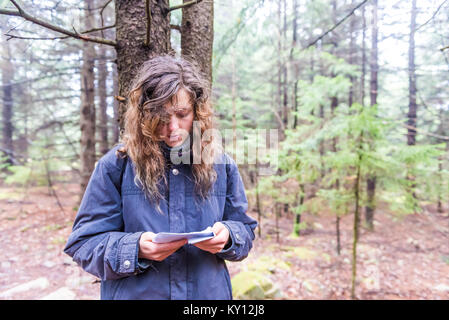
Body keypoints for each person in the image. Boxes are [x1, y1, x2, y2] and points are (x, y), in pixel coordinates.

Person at [64, 55, 258, 300]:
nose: (173, 127)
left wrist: (230, 236)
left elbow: (245, 232)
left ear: (197, 112)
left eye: (182, 114)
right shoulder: (117, 165)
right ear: (144, 115)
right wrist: (134, 249)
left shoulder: (221, 164)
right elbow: (83, 244)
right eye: (161, 117)